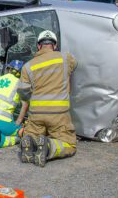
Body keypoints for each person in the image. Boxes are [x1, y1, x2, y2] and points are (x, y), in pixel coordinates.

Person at [17, 30, 77, 167]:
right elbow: (76, 65)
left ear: (39, 46)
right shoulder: (66, 58)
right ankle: (48, 147)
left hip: (36, 114)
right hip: (59, 114)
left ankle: (29, 142)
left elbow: (23, 92)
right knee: (69, 144)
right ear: (54, 45)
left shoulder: (28, 66)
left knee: (32, 133)